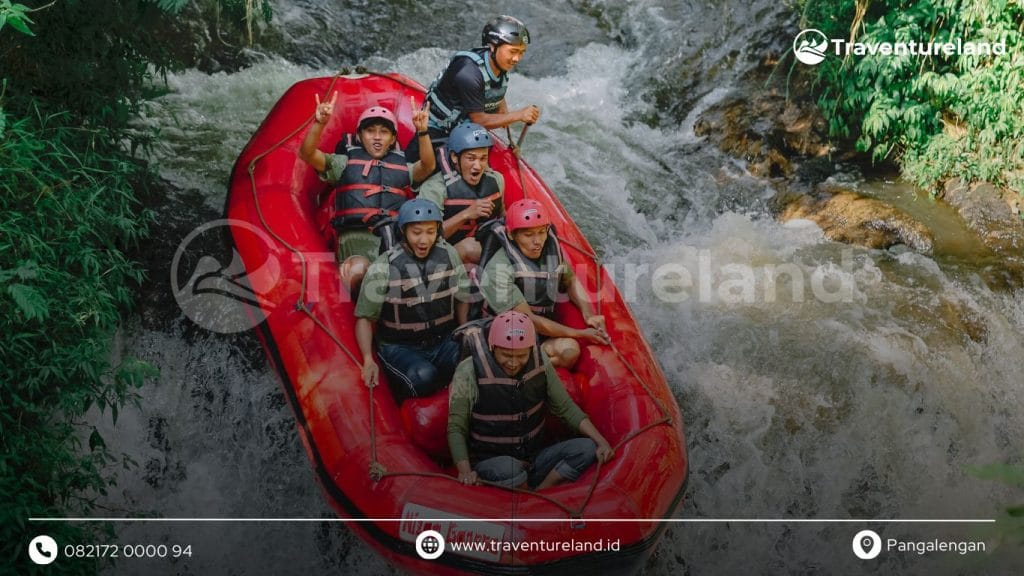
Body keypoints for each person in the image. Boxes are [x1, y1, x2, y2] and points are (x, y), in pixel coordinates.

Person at [447, 310, 614, 489]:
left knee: (586, 448)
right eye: (506, 355)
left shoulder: (540, 360)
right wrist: (465, 470)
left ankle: (541, 492)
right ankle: (530, 497)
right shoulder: (468, 370)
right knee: (508, 469)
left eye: (521, 356)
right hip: (492, 462)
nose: (513, 362)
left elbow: (566, 407)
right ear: (492, 347)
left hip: (534, 457)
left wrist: (601, 442)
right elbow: (457, 427)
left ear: (531, 349)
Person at [298, 93, 435, 291]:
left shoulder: (403, 167)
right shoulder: (343, 163)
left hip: (391, 245)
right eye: (370, 131)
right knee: (359, 271)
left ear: (393, 138)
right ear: (360, 136)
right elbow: (308, 154)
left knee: (407, 277)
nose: (377, 137)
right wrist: (319, 123)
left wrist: (422, 132)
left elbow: (428, 166)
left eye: (384, 132)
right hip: (356, 248)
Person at [354, 199, 470, 401]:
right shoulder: (383, 266)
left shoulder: (449, 254)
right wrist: (367, 359)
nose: (424, 240)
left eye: (430, 231)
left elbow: (462, 298)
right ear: (404, 232)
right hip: (400, 346)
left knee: (470, 361)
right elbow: (365, 318)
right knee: (424, 377)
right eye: (417, 233)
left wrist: (465, 328)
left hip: (442, 339)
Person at [478, 199, 608, 369]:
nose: (538, 241)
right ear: (511, 235)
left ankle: (527, 369)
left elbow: (570, 280)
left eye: (541, 232)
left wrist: (588, 313)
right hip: (507, 335)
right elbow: (528, 320)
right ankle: (516, 371)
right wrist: (579, 333)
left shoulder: (550, 249)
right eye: (528, 235)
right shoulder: (498, 269)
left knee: (570, 352)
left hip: (540, 331)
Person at [406, 15, 541, 164]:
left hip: (462, 128)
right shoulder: (468, 73)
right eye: (513, 51)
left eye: (521, 52)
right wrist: (519, 115)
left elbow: (494, 90)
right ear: (493, 46)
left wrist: (504, 115)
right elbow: (480, 120)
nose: (517, 59)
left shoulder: (497, 63)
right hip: (437, 132)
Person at [418, 122, 504, 264]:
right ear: (454, 157)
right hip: (439, 252)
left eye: (483, 158)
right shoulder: (434, 188)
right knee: (469, 247)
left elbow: (502, 214)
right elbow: (424, 238)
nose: (478, 166)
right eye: (471, 158)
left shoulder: (497, 180)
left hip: (482, 242)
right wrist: (467, 214)